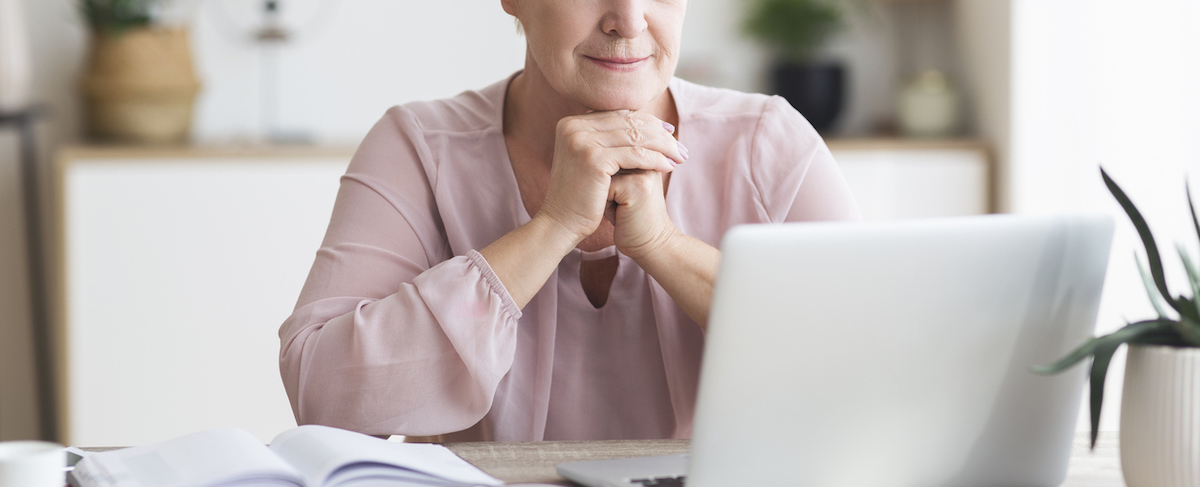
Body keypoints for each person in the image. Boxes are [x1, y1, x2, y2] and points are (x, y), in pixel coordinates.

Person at [278, 0, 859, 443]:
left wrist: (663, 245)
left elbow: (868, 374)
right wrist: (552, 225)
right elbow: (324, 396)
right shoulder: (419, 148)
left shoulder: (769, 145)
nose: (629, 20)